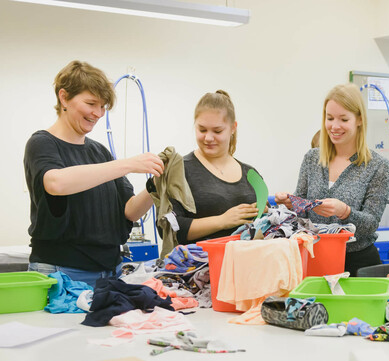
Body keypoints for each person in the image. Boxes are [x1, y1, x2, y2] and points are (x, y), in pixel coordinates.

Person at [24, 60, 164, 286]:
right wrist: (128, 164)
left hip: (110, 271)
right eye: (91, 103)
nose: (98, 113)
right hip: (61, 272)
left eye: (103, 106)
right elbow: (56, 183)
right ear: (63, 97)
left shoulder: (100, 152)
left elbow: (129, 211)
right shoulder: (42, 143)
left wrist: (155, 187)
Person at [275, 83, 389, 276]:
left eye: (343, 119)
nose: (334, 126)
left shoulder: (379, 167)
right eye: (329, 118)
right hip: (313, 258)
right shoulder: (312, 159)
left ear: (360, 120)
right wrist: (291, 203)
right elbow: (302, 214)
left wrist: (345, 212)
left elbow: (371, 223)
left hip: (358, 265)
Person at [171, 90, 262, 244]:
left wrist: (264, 216)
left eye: (217, 131)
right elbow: (171, 228)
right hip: (201, 264)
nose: (208, 138)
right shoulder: (180, 170)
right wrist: (222, 221)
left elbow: (267, 226)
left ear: (233, 128)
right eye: (202, 130)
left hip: (247, 263)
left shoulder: (251, 174)